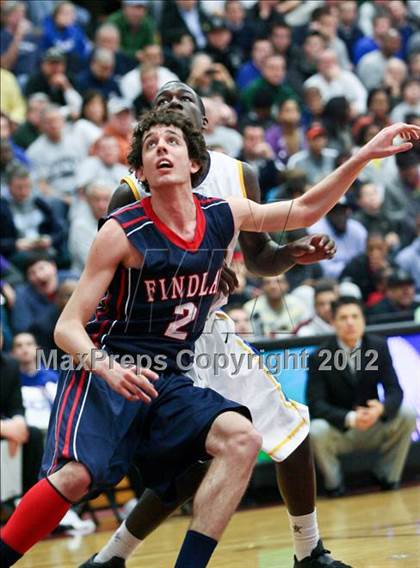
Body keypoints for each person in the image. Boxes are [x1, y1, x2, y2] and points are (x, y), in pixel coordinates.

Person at [79, 84, 418, 568]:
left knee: (293, 436)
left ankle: (308, 551)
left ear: (202, 126)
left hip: (209, 332)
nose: (173, 98)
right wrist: (186, 270)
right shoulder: (131, 189)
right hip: (152, 341)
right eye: (164, 98)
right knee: (188, 466)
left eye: (185, 96)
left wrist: (291, 256)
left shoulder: (240, 177)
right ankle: (112, 556)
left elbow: (261, 260)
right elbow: (111, 281)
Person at [307, 296, 416, 496]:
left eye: (355, 316)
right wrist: (351, 418)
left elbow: (394, 390)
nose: (350, 322)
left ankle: (387, 476)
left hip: (373, 424)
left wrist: (380, 409)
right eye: (343, 317)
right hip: (341, 429)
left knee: (407, 413)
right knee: (316, 429)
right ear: (333, 322)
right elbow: (315, 405)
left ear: (363, 320)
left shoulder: (379, 347)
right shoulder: (318, 357)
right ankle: (334, 485)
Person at [0, 332, 44, 495]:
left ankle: (26, 498)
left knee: (32, 435)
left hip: (7, 426)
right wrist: (5, 428)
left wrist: (18, 424)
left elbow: (16, 406)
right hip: (2, 427)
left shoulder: (10, 365)